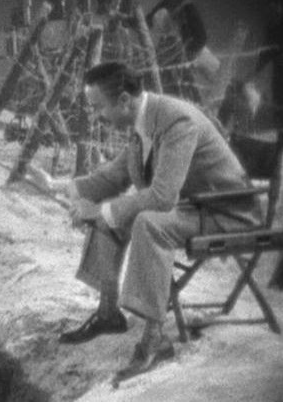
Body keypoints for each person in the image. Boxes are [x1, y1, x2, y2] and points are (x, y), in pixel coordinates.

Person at [28, 62, 261, 382]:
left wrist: (100, 210)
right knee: (115, 219)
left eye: (98, 107)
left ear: (124, 100)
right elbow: (114, 175)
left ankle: (155, 339)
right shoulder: (144, 121)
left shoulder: (176, 121)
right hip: (196, 207)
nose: (96, 116)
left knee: (148, 222)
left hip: (227, 214)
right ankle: (108, 314)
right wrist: (59, 186)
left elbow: (162, 197)